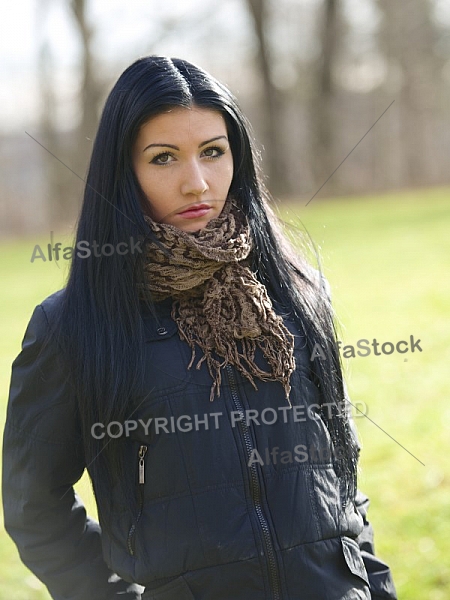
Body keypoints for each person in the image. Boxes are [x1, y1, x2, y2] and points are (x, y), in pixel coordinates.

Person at [2, 55, 397, 600]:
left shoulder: (297, 291)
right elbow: (33, 504)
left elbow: (340, 475)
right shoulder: (72, 325)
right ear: (123, 172)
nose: (196, 182)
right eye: (163, 158)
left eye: (213, 151)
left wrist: (373, 586)